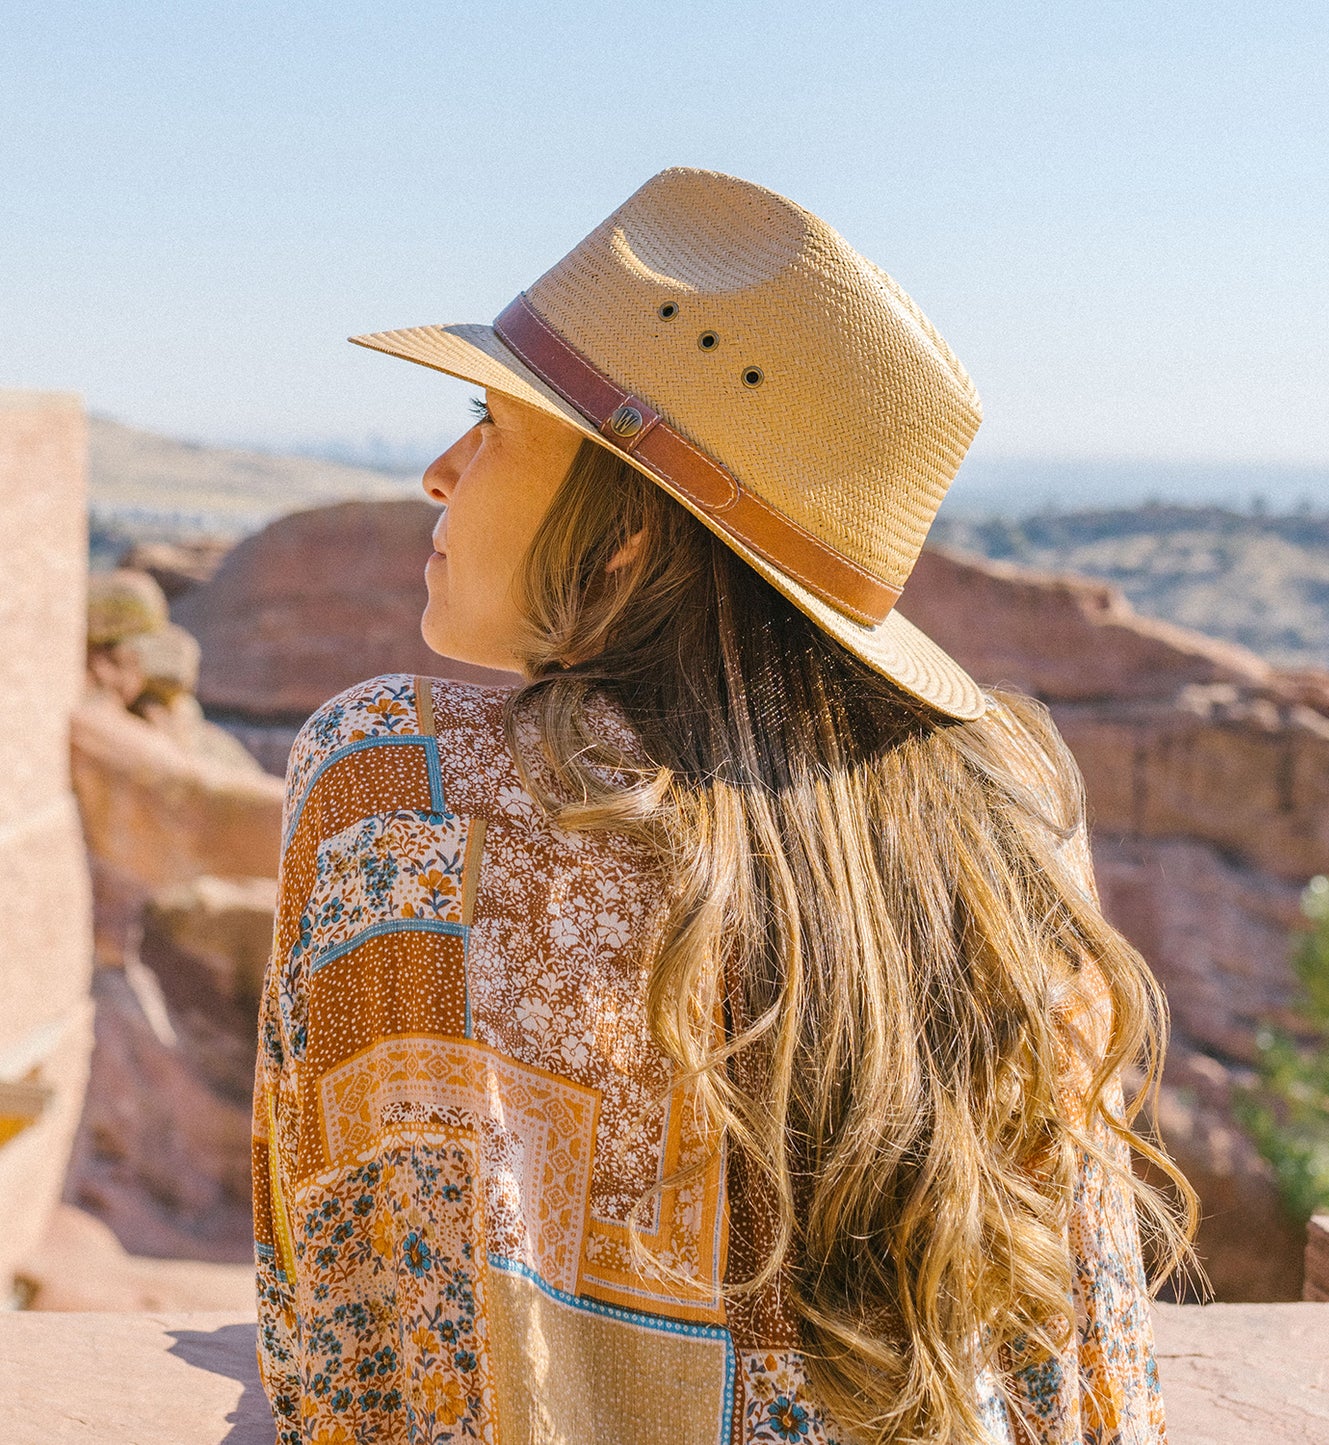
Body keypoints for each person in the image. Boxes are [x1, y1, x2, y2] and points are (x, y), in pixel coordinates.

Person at [253, 166, 1195, 1445]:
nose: (438, 470)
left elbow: (342, 1352)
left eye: (489, 423)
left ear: (632, 530)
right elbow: (1077, 1355)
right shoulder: (1009, 816)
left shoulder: (398, 791)